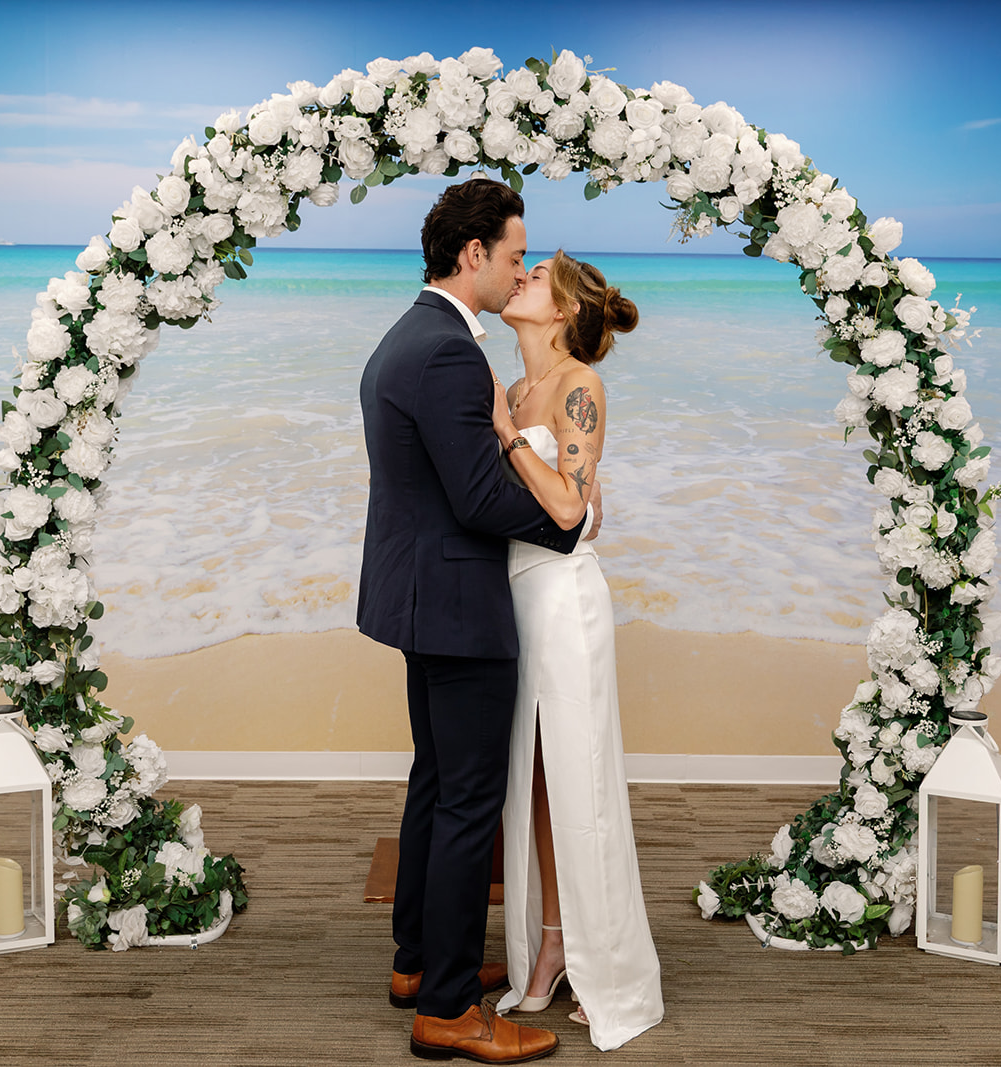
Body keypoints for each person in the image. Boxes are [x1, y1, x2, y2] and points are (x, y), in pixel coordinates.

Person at [357, 179, 600, 1064]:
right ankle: (452, 1008)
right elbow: (478, 493)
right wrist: (566, 528)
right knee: (467, 801)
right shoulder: (451, 352)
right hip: (458, 602)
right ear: (474, 256)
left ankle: (420, 963)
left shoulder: (407, 334)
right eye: (511, 254)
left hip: (422, 594)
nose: (516, 269)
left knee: (437, 782)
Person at [488, 252, 664, 1051]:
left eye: (537, 275)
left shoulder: (578, 386)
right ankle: (553, 943)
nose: (519, 276)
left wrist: (505, 436)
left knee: (581, 784)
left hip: (564, 602)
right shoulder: (517, 387)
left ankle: (614, 971)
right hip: (513, 600)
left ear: (559, 311)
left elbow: (566, 507)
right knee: (534, 784)